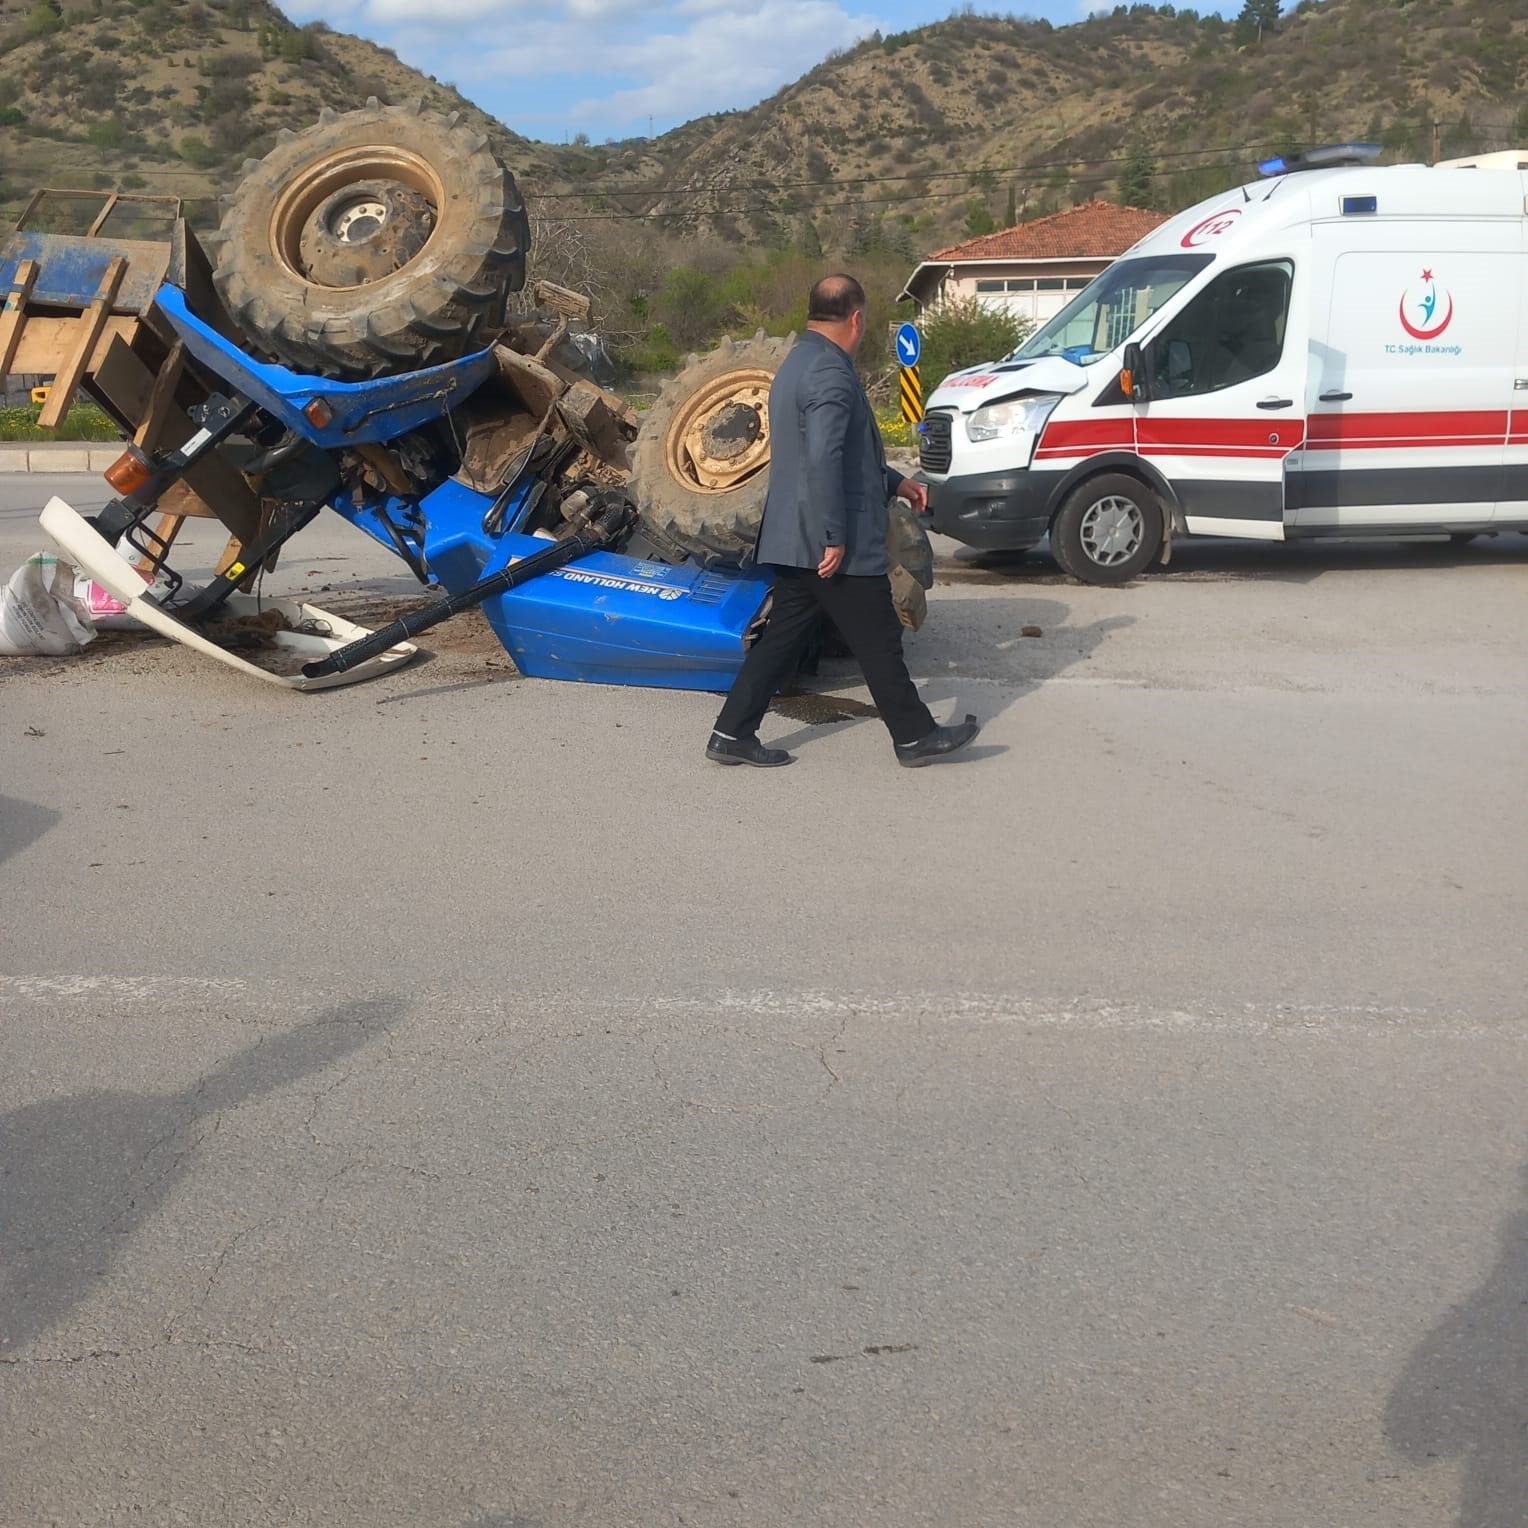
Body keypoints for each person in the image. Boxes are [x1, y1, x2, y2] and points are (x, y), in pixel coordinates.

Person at [706, 274, 980, 770]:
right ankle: (915, 737)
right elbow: (823, 460)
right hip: (833, 540)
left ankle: (731, 733)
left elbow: (845, 454)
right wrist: (833, 536)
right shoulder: (831, 373)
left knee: (782, 639)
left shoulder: (796, 363)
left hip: (793, 536)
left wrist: (896, 482)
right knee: (879, 638)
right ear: (856, 319)